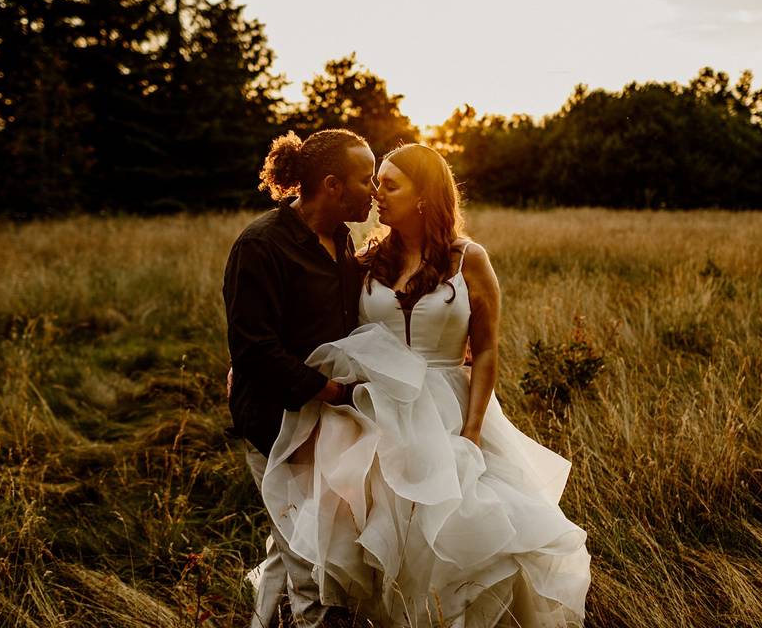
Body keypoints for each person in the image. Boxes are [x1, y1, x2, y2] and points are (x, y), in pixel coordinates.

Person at [260, 144, 591, 627]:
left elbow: (487, 350)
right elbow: (317, 321)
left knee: (464, 538)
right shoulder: (366, 259)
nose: (376, 194)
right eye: (375, 183)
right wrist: (249, 360)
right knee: (367, 541)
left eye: (389, 185)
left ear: (424, 196)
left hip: (448, 411)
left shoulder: (469, 260)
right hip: (373, 412)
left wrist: (473, 432)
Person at [222, 128, 376, 627]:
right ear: (332, 185)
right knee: (311, 566)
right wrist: (329, 390)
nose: (373, 190)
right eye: (365, 178)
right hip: (275, 424)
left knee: (289, 544)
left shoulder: (342, 240)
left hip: (326, 427)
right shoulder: (261, 245)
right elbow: (253, 347)